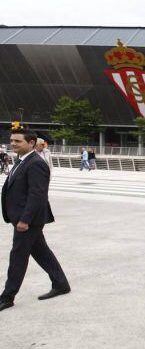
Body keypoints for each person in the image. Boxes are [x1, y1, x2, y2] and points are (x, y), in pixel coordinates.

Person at [1, 129, 70, 312]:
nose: (13, 144)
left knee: (18, 256)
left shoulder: (35, 164)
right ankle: (61, 284)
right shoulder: (21, 161)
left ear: (31, 143)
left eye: (18, 141)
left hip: (28, 220)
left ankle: (7, 297)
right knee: (41, 252)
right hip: (22, 217)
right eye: (12, 140)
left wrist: (25, 220)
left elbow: (37, 195)